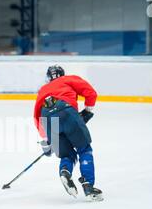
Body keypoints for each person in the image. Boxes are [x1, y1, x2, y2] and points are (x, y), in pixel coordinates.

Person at [34, 65, 103, 201]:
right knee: (84, 149)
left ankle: (65, 171)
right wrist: (88, 110)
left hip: (47, 117)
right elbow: (91, 93)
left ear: (48, 78)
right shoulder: (68, 79)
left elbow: (37, 116)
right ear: (62, 74)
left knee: (67, 155)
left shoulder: (43, 89)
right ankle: (89, 186)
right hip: (66, 110)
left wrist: (47, 141)